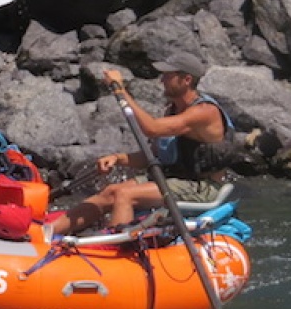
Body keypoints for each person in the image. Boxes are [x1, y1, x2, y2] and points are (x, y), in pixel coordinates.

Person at [50, 51, 234, 236]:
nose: (162, 80)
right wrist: (118, 158)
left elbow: (152, 128)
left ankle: (113, 251)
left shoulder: (204, 112)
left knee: (125, 195)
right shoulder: (173, 110)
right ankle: (48, 232)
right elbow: (152, 156)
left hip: (201, 187)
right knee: (111, 192)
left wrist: (120, 91)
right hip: (174, 177)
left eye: (168, 76)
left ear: (186, 80)